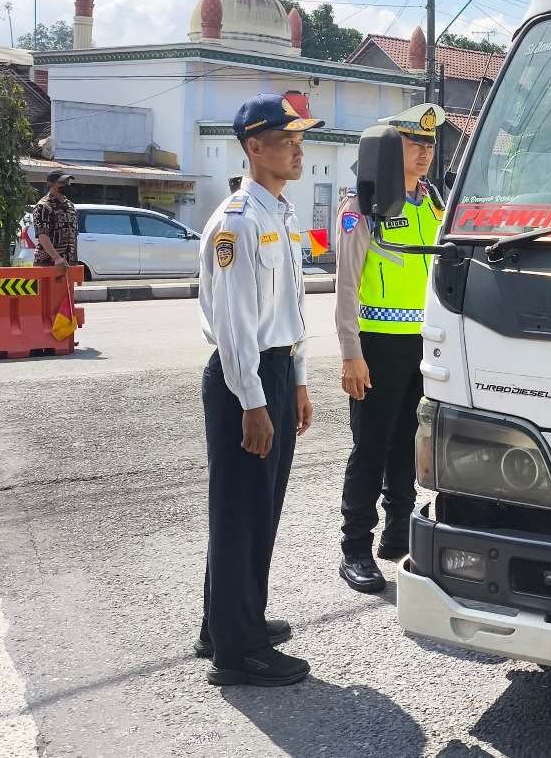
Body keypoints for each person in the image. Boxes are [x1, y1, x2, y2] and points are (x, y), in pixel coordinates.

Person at [195, 93, 320, 687]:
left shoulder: (281, 213)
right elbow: (235, 322)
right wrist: (253, 401)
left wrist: (295, 381)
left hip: (272, 370)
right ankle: (237, 651)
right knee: (241, 511)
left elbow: (290, 309)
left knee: (257, 509)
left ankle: (227, 622)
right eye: (287, 140)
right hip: (242, 377)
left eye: (300, 139)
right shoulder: (237, 222)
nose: (299, 150)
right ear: (254, 147)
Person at [334, 102, 445, 593]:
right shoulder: (364, 204)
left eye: (430, 144)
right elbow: (345, 286)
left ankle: (397, 533)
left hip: (422, 345)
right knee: (370, 447)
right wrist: (350, 353)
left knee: (407, 442)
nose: (424, 152)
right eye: (414, 142)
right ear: (388, 146)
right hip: (376, 345)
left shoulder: (433, 201)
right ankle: (355, 546)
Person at [32, 171, 78, 268]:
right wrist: (56, 258)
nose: (66, 185)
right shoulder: (43, 206)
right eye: (62, 182)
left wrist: (75, 262)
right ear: (50, 184)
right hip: (47, 262)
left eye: (67, 182)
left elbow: (73, 235)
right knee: (45, 284)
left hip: (68, 263)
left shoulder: (70, 205)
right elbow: (42, 235)